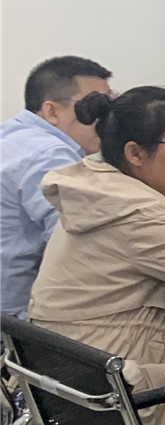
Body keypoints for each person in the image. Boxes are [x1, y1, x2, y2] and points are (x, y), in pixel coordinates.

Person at [29, 87, 165, 425]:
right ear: (135, 153)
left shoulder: (102, 192)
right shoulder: (136, 216)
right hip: (141, 407)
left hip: (87, 401)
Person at [2, 57, 114, 319]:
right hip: (18, 325)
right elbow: (80, 247)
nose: (105, 119)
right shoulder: (48, 154)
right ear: (51, 111)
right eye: (94, 107)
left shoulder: (11, 138)